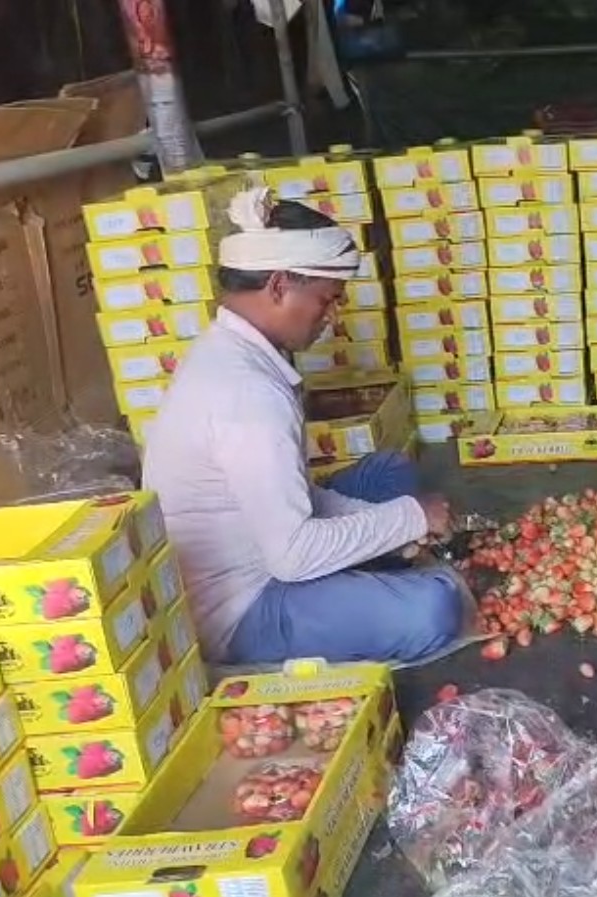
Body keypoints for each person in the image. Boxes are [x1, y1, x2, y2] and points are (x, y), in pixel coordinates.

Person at [141, 187, 468, 667]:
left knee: (386, 472)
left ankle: (371, 571)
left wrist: (396, 522)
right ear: (277, 286)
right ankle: (373, 584)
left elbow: (298, 498)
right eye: (327, 300)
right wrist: (410, 519)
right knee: (435, 606)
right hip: (241, 607)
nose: (333, 318)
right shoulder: (247, 392)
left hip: (265, 540)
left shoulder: (228, 349)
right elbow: (292, 554)